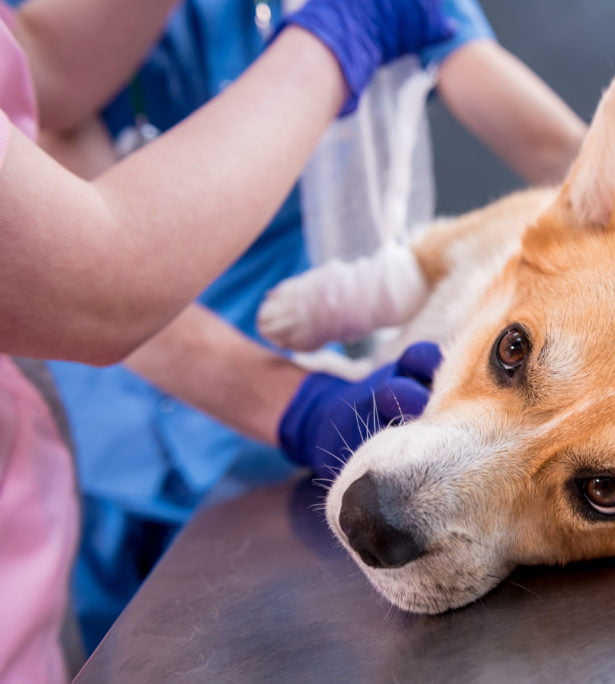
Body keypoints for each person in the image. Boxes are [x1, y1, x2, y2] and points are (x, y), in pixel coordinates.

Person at [0, 0, 454, 680]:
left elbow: (40, 70)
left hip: (194, 437)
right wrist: (343, 34)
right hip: (116, 432)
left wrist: (293, 401)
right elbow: (80, 283)